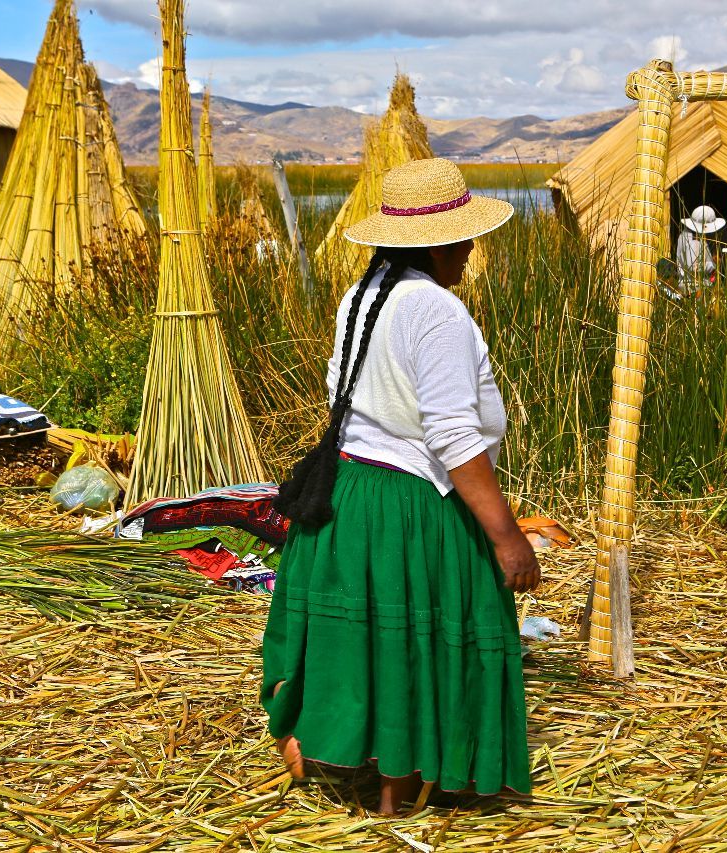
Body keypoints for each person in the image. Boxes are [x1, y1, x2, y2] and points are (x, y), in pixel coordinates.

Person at [261, 158, 539, 815]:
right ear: (439, 242)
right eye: (465, 238)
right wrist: (507, 537)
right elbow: (451, 435)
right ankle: (400, 793)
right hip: (413, 503)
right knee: (422, 642)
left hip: (353, 494)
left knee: (375, 640)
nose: (471, 249)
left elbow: (339, 393)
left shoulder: (364, 295)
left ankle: (339, 756)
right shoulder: (436, 311)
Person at [675, 204, 726, 295]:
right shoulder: (694, 241)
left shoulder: (685, 235)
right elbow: (694, 267)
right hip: (695, 289)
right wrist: (713, 265)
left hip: (691, 286)